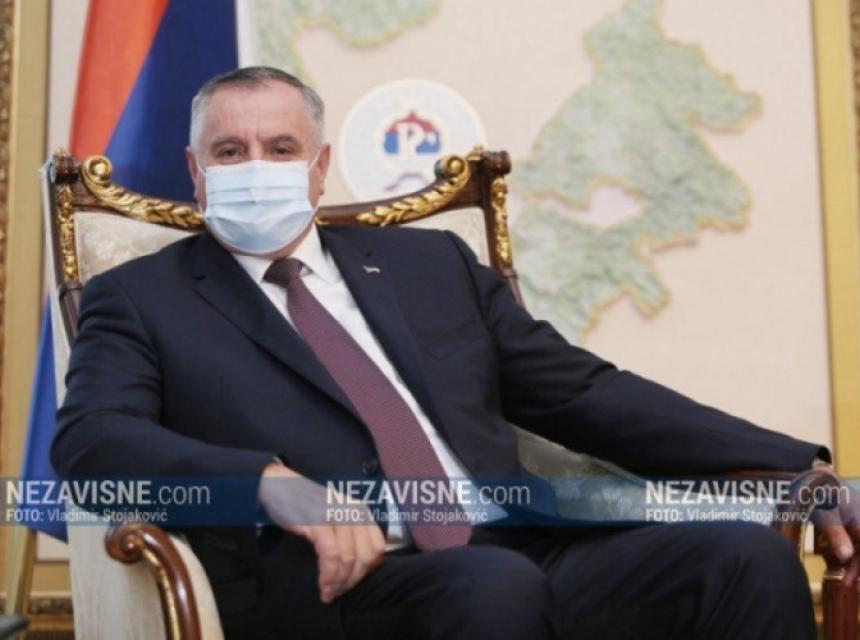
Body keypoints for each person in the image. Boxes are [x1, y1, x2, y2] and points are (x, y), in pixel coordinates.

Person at [52, 66, 859, 640]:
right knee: (492, 586)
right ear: (196, 171)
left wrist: (799, 465)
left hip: (520, 545)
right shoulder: (142, 298)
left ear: (320, 167)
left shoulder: (427, 264)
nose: (255, 168)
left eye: (281, 147)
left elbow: (582, 392)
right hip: (342, 588)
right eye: (230, 152)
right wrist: (266, 483)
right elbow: (91, 442)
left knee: (744, 557)